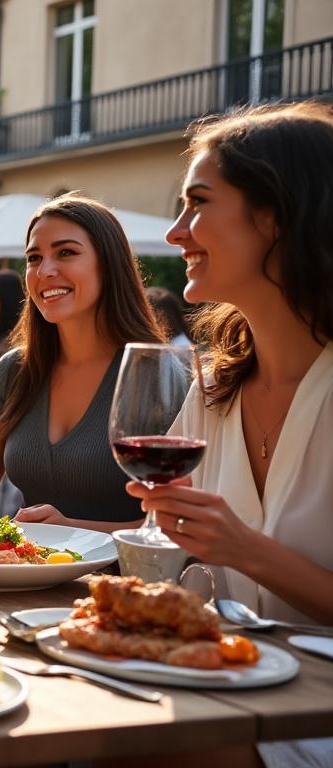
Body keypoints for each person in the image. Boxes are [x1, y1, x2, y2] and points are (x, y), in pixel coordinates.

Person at [129, 101, 333, 768]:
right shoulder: (214, 388)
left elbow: (232, 549)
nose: (175, 233)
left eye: (197, 204)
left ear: (275, 215)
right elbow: (182, 551)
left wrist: (245, 549)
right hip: (233, 682)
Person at [0, 194, 165, 530]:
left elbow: (177, 527)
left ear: (109, 264)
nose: (45, 271)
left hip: (127, 580)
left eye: (66, 252)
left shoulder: (159, 375)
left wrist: (71, 531)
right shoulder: (14, 371)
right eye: (33, 258)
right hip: (25, 578)